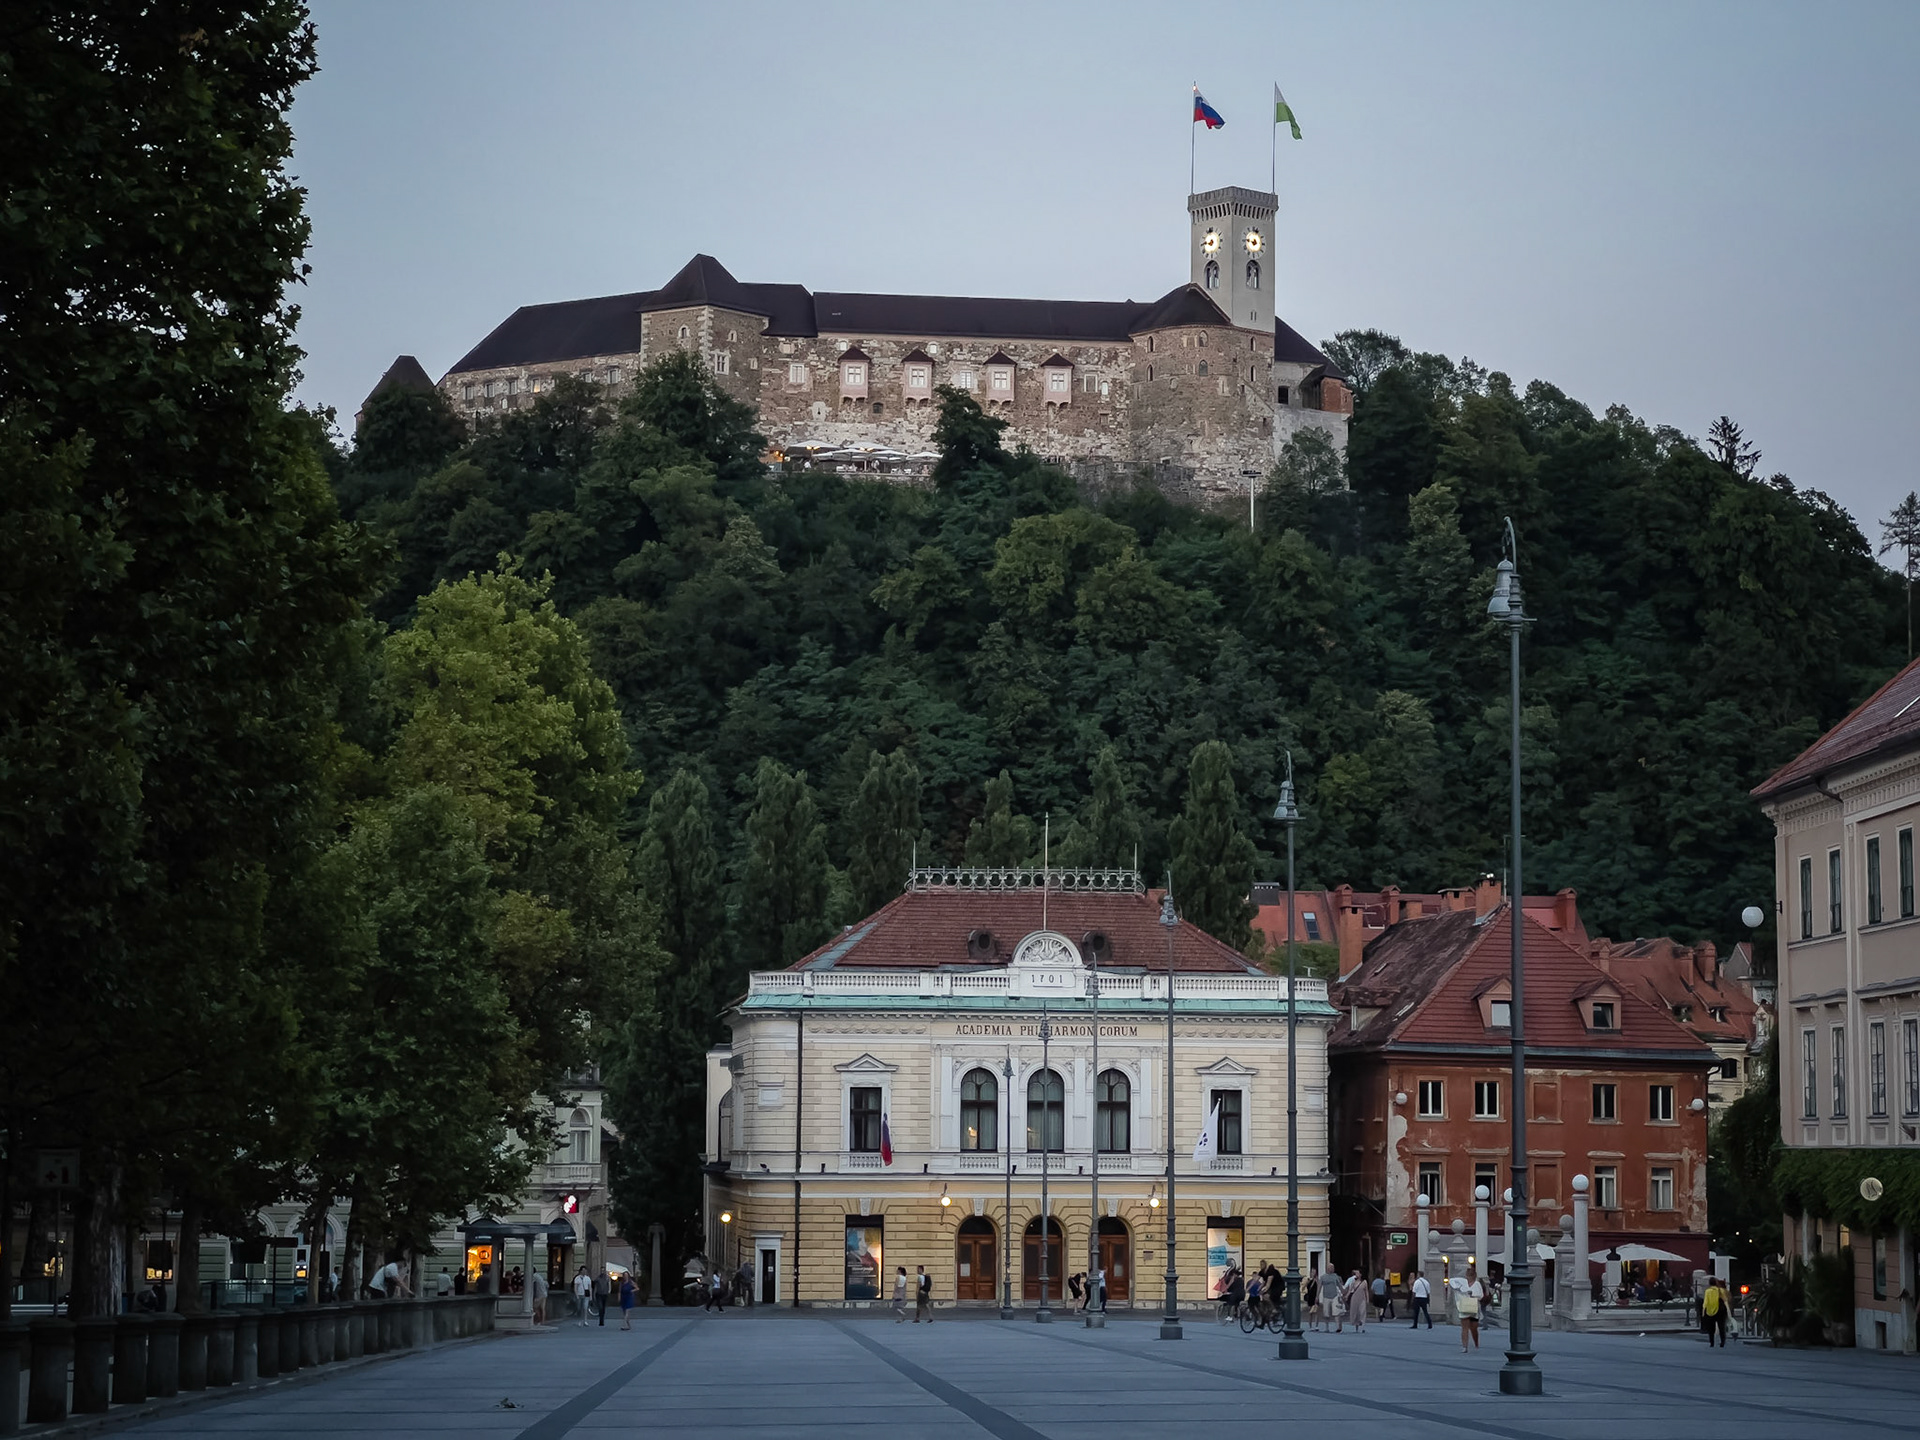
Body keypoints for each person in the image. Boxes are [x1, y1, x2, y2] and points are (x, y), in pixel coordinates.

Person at [1451, 1273, 1485, 1352]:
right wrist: (1458, 1288)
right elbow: (1451, 1281)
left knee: (1474, 1328)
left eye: (1470, 1276)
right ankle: (1465, 1346)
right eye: (1467, 1275)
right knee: (1464, 1328)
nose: (1468, 1277)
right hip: (1464, 1307)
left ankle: (1476, 1342)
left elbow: (1481, 1296)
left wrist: (1473, 1295)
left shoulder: (1477, 1284)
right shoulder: (1462, 1283)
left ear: (1474, 1276)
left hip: (1474, 1308)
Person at [1701, 1276, 1728, 1347]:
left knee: (1711, 1328)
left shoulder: (1707, 1291)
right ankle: (1722, 1341)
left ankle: (1712, 1342)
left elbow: (1705, 1302)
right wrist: (1728, 1310)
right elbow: (1725, 1300)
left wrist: (1703, 1311)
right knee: (1721, 1327)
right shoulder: (1720, 1290)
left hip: (1710, 1311)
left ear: (1709, 1283)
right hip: (1720, 1311)